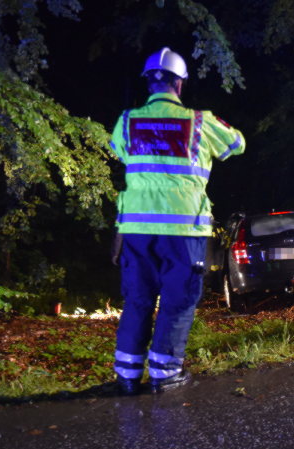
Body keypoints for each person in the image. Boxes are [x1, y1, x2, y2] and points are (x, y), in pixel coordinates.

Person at [109, 47, 245, 395]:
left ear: (149, 83)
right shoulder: (200, 122)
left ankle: (127, 376)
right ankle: (164, 374)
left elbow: (121, 152)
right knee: (178, 300)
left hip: (137, 231)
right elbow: (236, 144)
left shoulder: (126, 122)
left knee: (137, 300)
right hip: (183, 232)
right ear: (180, 84)